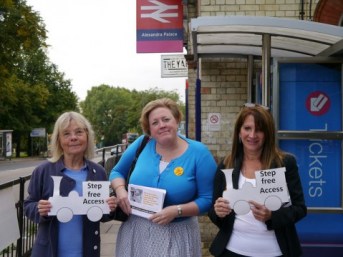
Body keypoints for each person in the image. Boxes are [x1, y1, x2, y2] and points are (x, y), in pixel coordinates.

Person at [109, 98, 217, 257]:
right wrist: (120, 191)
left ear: (177, 120)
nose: (162, 125)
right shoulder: (142, 144)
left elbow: (208, 198)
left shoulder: (199, 153)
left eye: (166, 119)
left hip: (177, 233)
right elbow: (116, 172)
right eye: (155, 123)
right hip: (136, 231)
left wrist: (177, 210)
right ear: (149, 129)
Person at [208, 103, 307, 257]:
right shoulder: (227, 164)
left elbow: (300, 209)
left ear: (267, 134)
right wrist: (218, 211)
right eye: (247, 128)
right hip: (232, 251)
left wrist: (272, 216)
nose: (252, 135)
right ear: (239, 132)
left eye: (259, 130)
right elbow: (213, 210)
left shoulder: (285, 163)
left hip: (276, 252)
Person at [24, 111, 117, 257]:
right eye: (66, 134)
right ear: (59, 140)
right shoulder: (43, 170)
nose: (73, 138)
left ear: (87, 136)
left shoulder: (98, 172)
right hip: (49, 252)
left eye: (79, 132)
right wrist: (39, 209)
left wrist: (110, 208)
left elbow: (102, 215)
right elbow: (28, 205)